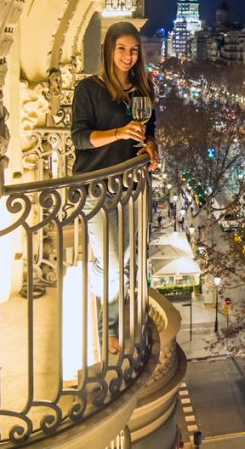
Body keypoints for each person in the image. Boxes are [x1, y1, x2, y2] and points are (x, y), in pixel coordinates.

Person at [71, 21, 160, 355]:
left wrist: (151, 146)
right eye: (121, 48)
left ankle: (111, 306)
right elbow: (79, 137)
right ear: (109, 50)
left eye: (134, 49)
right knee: (108, 261)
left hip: (132, 186)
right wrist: (119, 133)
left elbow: (150, 131)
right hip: (96, 184)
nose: (128, 55)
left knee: (122, 257)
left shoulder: (144, 90)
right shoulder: (89, 88)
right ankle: (105, 326)